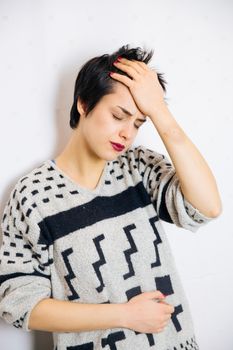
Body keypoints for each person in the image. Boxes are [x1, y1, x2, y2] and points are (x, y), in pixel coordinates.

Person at [0, 44, 222, 350]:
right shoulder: (33, 195)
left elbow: (207, 207)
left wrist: (159, 112)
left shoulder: (139, 167)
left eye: (138, 123)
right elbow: (19, 302)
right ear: (83, 103)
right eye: (119, 115)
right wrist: (124, 315)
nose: (127, 134)